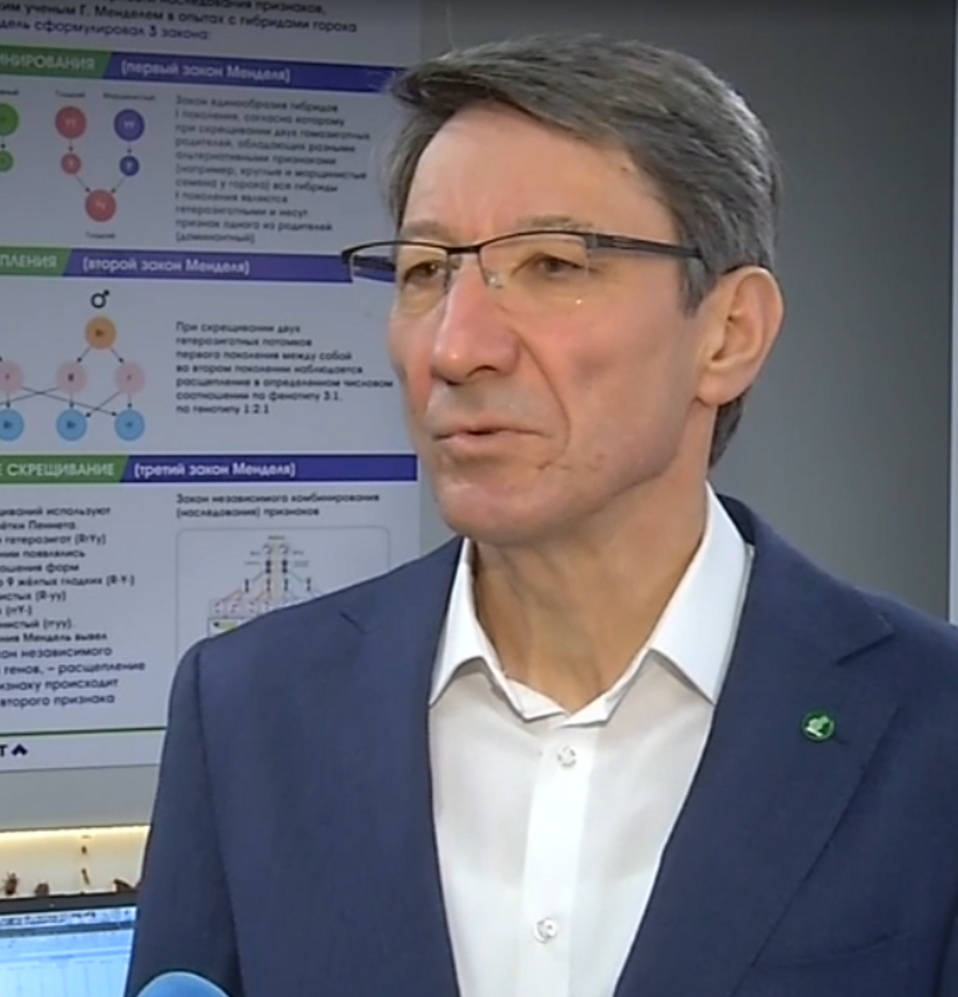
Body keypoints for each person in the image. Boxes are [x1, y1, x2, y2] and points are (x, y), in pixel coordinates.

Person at [125, 33, 958, 997]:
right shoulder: (249, 711)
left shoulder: (929, 724)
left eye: (555, 265)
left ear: (729, 334)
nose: (456, 347)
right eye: (424, 272)